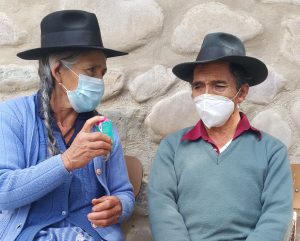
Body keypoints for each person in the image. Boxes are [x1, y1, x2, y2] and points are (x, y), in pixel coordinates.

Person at [0, 10, 134, 241]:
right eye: (91, 70)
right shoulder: (13, 116)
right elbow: (4, 192)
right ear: (58, 71)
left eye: (102, 73)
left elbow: (124, 191)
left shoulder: (103, 127)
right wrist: (67, 161)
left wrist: (119, 206)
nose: (99, 81)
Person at [148, 32, 293, 241]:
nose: (207, 94)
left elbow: (276, 216)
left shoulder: (271, 151)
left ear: (242, 93)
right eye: (198, 86)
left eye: (219, 85)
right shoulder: (172, 147)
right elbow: (162, 208)